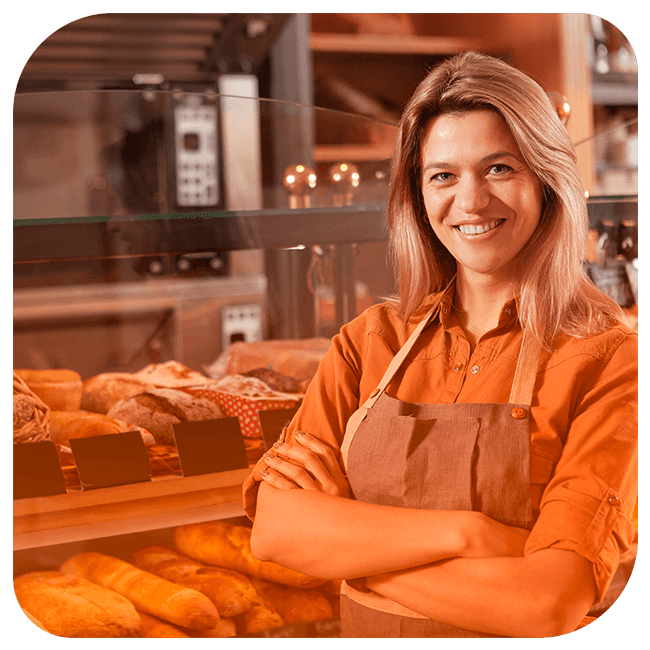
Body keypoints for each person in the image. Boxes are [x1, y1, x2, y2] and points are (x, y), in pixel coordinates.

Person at [241, 51, 637, 638]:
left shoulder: (609, 360)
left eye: (500, 168)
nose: (471, 200)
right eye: (443, 175)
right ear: (419, 196)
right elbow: (275, 529)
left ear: (547, 179)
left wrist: (351, 558)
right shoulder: (367, 342)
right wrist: (470, 536)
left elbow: (548, 604)